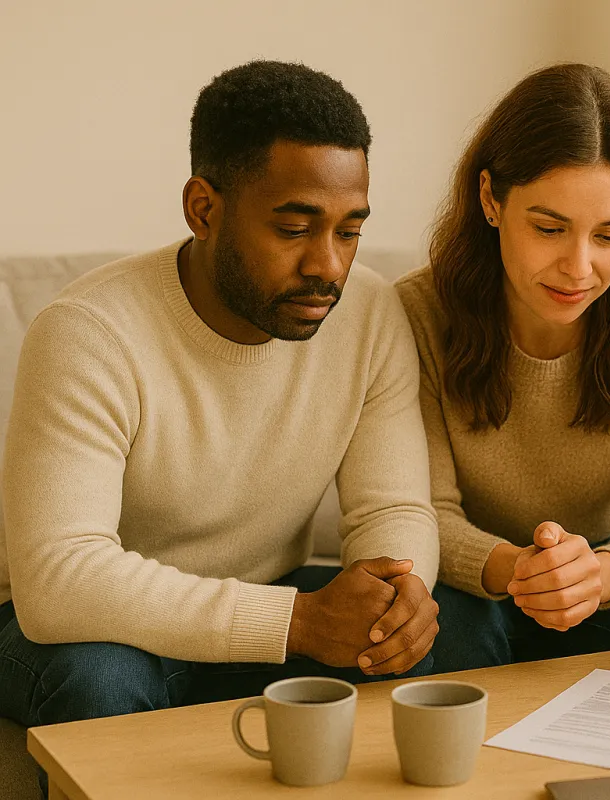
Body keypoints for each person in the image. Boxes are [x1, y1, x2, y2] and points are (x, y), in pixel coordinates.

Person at [0, 61, 472, 743]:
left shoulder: (370, 312)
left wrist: (394, 598)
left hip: (271, 597)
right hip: (90, 630)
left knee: (420, 637)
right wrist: (300, 622)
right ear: (203, 209)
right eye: (294, 228)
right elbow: (59, 581)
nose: (329, 266)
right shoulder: (87, 332)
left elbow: (392, 507)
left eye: (348, 230)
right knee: (99, 682)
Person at [399, 63, 610, 671]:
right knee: (436, 632)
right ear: (491, 199)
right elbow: (423, 511)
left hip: (597, 574)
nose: (578, 267)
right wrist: (522, 571)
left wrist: (595, 575)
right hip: (471, 583)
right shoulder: (416, 313)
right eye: (549, 228)